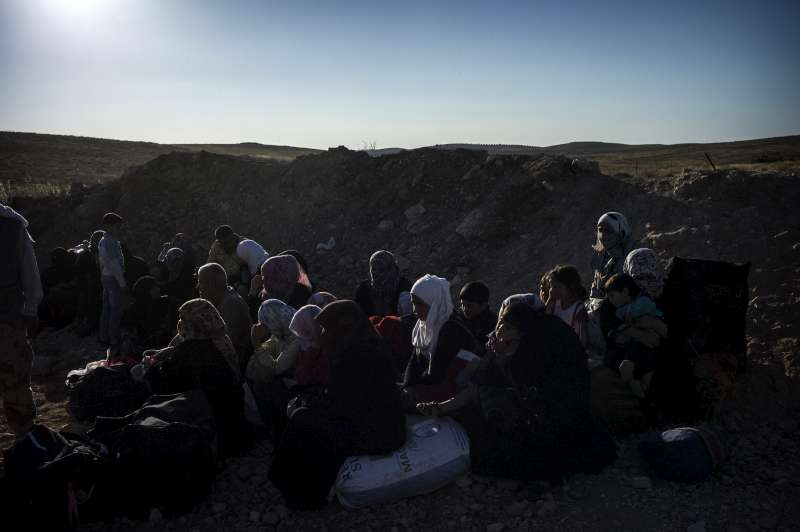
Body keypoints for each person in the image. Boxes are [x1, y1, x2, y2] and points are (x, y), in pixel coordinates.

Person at [417, 302, 616, 481]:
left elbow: (542, 398)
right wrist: (440, 407)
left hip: (559, 419)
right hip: (533, 410)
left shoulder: (540, 347)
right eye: (501, 324)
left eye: (508, 327)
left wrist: (505, 363)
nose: (500, 330)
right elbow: (478, 387)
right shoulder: (508, 345)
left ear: (522, 332)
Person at [268, 300, 405, 509]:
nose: (322, 335)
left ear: (343, 327)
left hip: (379, 431)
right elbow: (339, 396)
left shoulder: (361, 355)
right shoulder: (352, 347)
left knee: (306, 422)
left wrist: (310, 407)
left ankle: (307, 495)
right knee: (303, 414)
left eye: (325, 329)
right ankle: (292, 484)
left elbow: (345, 406)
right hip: (363, 419)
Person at [145, 298, 243, 455]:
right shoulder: (219, 338)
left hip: (207, 420)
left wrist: (150, 367)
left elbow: (163, 381)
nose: (180, 323)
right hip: (231, 418)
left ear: (196, 322)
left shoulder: (191, 349)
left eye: (183, 319)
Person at [0, 203, 43, 440]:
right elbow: (30, 272)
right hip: (8, 318)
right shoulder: (13, 225)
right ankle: (24, 436)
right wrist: (31, 309)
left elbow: (29, 272)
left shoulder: (13, 225)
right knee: (14, 381)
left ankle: (25, 438)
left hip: (7, 318)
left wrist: (31, 307)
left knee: (15, 380)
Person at [402, 274, 479, 405]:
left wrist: (412, 389)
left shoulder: (451, 328)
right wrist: (407, 385)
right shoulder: (425, 325)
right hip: (433, 384)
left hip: (454, 390)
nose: (415, 310)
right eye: (413, 304)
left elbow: (437, 373)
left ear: (435, 303)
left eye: (420, 305)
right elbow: (415, 360)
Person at [604, 273, 668, 398]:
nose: (610, 300)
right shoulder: (623, 308)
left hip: (647, 344)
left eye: (612, 296)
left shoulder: (642, 303)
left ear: (625, 291)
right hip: (639, 345)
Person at [246, 299, 299, 434]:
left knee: (263, 386)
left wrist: (257, 344)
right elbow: (252, 367)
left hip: (296, 387)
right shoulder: (279, 335)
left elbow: (276, 368)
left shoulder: (296, 337)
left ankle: (276, 429)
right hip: (284, 385)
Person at [197, 263, 252, 374]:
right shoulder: (220, 300)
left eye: (200, 282)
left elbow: (226, 344)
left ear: (211, 284)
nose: (198, 287)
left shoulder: (231, 303)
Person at [97, 212, 127, 356]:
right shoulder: (109, 242)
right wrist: (122, 283)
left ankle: (104, 336)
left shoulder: (104, 240)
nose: (118, 229)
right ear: (108, 226)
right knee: (115, 309)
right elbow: (114, 264)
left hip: (106, 277)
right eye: (116, 226)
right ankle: (113, 339)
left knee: (107, 307)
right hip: (113, 279)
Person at [589, 212, 634, 303]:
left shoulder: (632, 255)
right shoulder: (601, 256)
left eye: (608, 231)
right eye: (600, 230)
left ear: (621, 232)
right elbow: (595, 288)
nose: (603, 235)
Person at [354, 250, 412, 317]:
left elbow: (409, 317)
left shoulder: (403, 286)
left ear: (391, 269)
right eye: (374, 269)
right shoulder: (364, 289)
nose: (376, 273)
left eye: (382, 269)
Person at [544, 265, 590, 347]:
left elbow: (582, 340)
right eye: (551, 286)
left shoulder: (578, 309)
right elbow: (545, 319)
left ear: (571, 287)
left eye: (557, 287)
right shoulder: (555, 302)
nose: (552, 290)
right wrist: (550, 299)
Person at [124, 275, 174, 350]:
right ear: (146, 291)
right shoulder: (135, 309)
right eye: (154, 288)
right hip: (144, 346)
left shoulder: (164, 302)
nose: (158, 289)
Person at [289, 305, 327, 388]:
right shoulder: (306, 346)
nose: (301, 337)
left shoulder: (326, 350)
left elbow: (304, 378)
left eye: (304, 331)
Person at [457, 281, 497, 351]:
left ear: (483, 305)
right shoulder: (458, 318)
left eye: (470, 305)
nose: (464, 309)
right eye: (463, 304)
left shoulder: (492, 325)